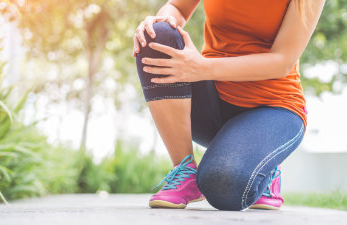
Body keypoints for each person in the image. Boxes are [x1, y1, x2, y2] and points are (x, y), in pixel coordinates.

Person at [132, 0, 325, 211]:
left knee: (223, 186)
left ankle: (264, 164)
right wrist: (162, 19)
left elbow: (282, 61)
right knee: (157, 34)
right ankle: (184, 169)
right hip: (212, 99)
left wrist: (203, 67)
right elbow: (177, 8)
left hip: (274, 108)